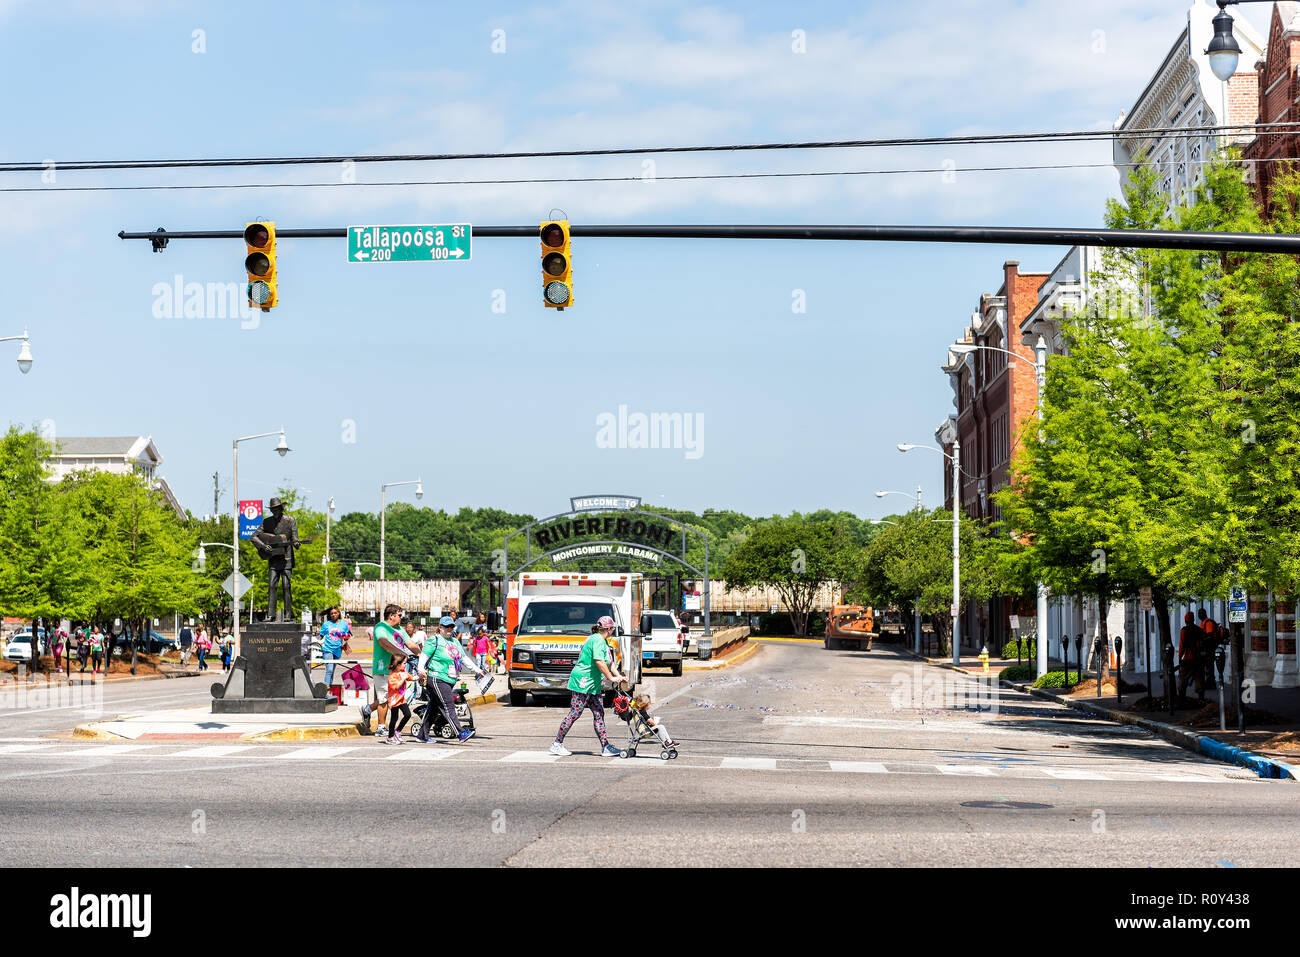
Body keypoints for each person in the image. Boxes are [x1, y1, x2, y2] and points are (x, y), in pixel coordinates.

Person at [550, 616, 626, 757]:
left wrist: (619, 677)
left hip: (593, 684)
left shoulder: (601, 641)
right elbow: (599, 662)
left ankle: (605, 747)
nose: (613, 631)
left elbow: (609, 663)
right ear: (608, 629)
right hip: (583, 682)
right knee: (575, 713)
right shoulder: (596, 640)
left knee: (599, 713)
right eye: (612, 628)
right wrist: (611, 678)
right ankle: (557, 744)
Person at [415, 616, 476, 743]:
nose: (449, 629)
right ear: (440, 627)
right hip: (437, 678)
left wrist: (477, 669)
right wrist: (421, 670)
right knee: (448, 705)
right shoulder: (434, 640)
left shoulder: (455, 642)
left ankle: (422, 735)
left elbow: (464, 658)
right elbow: (424, 656)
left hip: (450, 679)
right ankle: (460, 733)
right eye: (446, 626)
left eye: (451, 626)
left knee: (434, 707)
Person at [360, 604, 406, 738]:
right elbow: (383, 642)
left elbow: (411, 644)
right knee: (384, 698)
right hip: (381, 668)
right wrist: (401, 653)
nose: (401, 618)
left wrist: (422, 655)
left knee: (389, 697)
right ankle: (381, 727)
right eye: (399, 615)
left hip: (394, 669)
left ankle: (367, 709)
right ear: (391, 615)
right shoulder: (381, 627)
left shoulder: (399, 629)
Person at [384, 653, 414, 745]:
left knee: (408, 714)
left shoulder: (403, 672)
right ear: (398, 665)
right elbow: (396, 687)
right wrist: (402, 679)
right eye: (404, 663)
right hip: (394, 700)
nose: (405, 665)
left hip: (401, 699)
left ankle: (398, 731)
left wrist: (421, 676)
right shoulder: (392, 676)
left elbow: (411, 678)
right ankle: (390, 737)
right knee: (394, 718)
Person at [319, 606, 351, 687]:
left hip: (337, 650)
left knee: (332, 670)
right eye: (332, 613)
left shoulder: (344, 624)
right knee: (329, 670)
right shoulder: (326, 624)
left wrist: (346, 637)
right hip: (327, 650)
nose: (333, 615)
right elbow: (321, 635)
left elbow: (346, 637)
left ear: (338, 613)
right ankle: (326, 688)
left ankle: (330, 687)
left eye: (335, 613)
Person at [1176, 611, 1203, 701]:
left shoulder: (1184, 631)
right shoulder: (1199, 630)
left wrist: (1179, 658)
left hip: (1187, 658)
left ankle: (1181, 697)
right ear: (1193, 619)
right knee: (1198, 677)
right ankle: (1200, 697)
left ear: (1185, 620)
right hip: (1198, 658)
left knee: (1182, 678)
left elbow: (1181, 646)